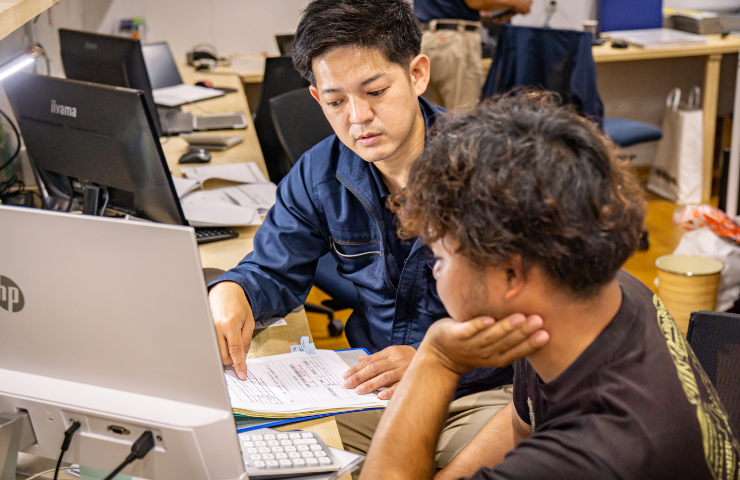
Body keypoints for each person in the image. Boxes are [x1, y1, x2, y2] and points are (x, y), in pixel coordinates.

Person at [207, 0, 544, 467]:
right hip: (374, 386)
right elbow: (271, 268)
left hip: (480, 391)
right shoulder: (319, 174)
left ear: (417, 74)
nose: (358, 117)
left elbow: (539, 322)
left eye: (376, 91)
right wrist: (232, 288)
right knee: (252, 448)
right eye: (336, 102)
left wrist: (436, 362)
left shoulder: (492, 171)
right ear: (316, 99)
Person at [360, 92, 740, 479]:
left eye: (440, 258)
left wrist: (437, 360)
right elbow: (521, 424)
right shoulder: (592, 296)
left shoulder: (590, 452)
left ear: (511, 274)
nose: (435, 273)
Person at [415, 0, 532, 111]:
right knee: (462, 117)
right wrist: (515, 2)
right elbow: (475, 1)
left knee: (431, 118)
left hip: (426, 38)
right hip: (454, 40)